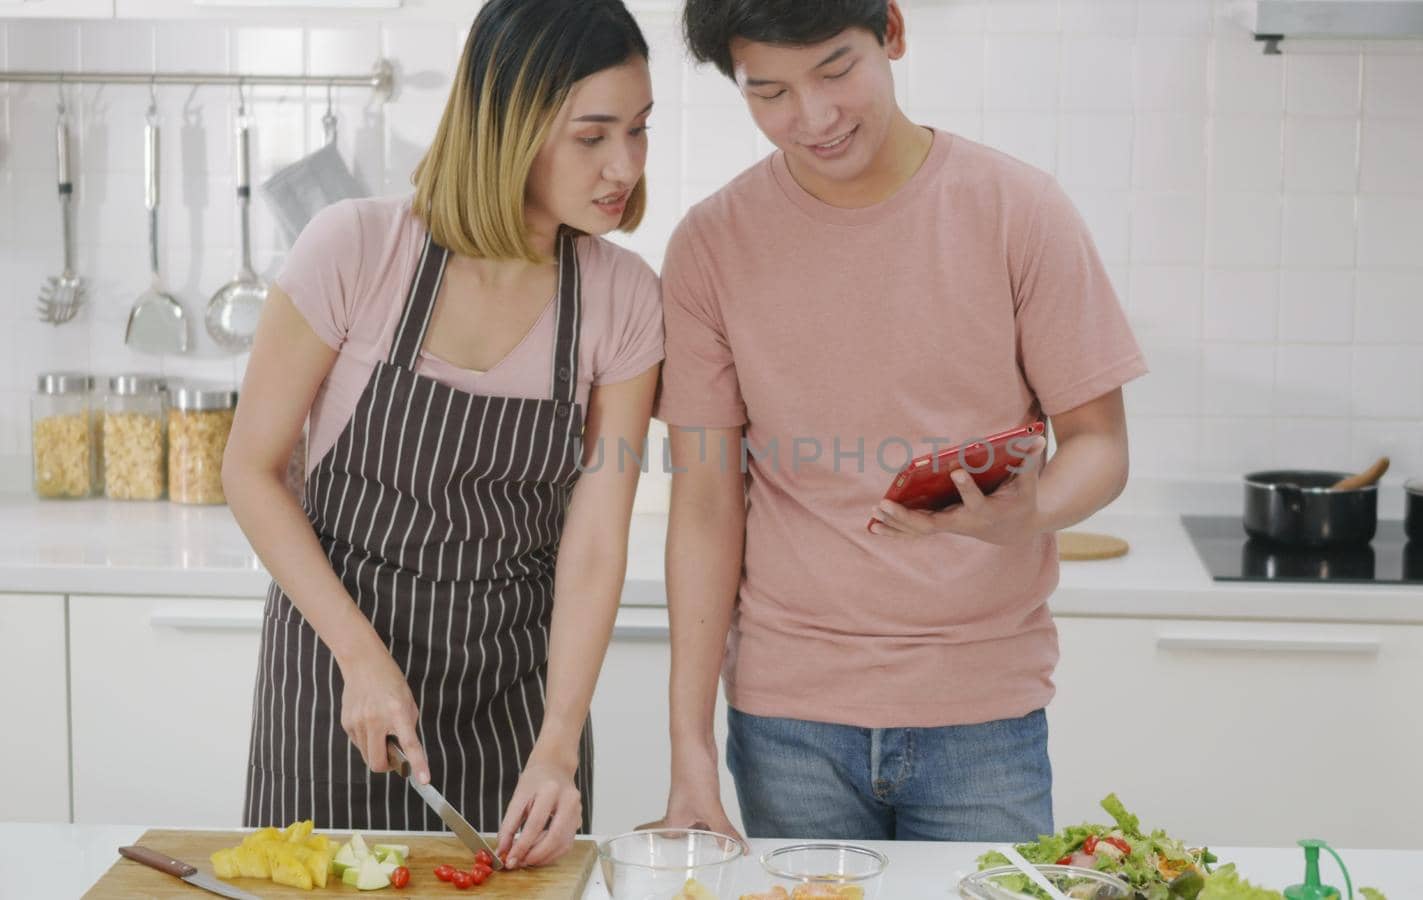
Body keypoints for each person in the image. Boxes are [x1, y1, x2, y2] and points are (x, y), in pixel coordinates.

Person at [652, 0, 1146, 842]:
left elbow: (1099, 445)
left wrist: (1030, 512)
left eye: (835, 71)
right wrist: (689, 749)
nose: (811, 118)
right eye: (768, 91)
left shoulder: (1018, 210)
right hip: (788, 720)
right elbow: (705, 506)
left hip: (982, 714)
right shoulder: (710, 244)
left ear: (892, 31)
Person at [222, 0, 660, 868]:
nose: (625, 165)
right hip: (337, 687)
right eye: (593, 136)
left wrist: (560, 741)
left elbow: (597, 539)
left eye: (641, 130)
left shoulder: (624, 298)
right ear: (507, 124)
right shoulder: (356, 248)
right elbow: (252, 470)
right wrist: (361, 658)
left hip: (519, 702)